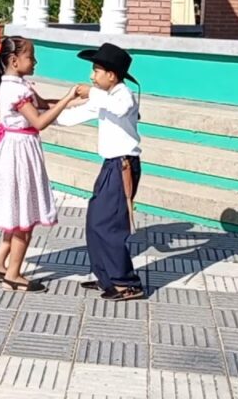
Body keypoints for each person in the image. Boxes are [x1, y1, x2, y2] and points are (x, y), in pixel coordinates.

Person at [0, 36, 81, 293]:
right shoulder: (18, 90)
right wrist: (68, 98)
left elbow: (43, 104)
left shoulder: (14, 84)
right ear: (15, 61)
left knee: (13, 211)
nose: (35, 61)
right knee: (23, 214)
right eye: (31, 57)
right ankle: (14, 274)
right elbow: (39, 121)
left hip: (12, 149)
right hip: (19, 152)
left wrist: (78, 101)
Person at [58, 43, 145, 301]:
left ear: (112, 75)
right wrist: (41, 111)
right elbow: (71, 116)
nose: (91, 77)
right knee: (95, 220)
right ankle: (106, 276)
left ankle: (126, 282)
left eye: (96, 71)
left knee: (110, 225)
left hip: (124, 165)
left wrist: (90, 94)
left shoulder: (124, 95)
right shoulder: (104, 99)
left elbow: (119, 108)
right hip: (110, 165)